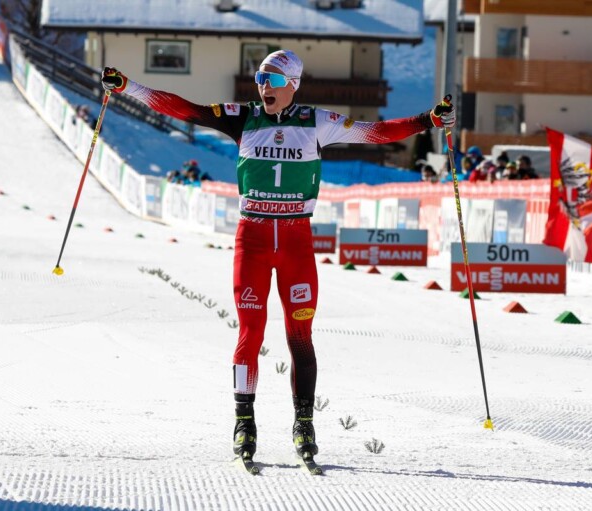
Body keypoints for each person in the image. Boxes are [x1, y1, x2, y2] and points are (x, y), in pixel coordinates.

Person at [100, 50, 455, 465]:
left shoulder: (317, 122)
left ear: (293, 85)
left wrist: (427, 120)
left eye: (272, 80)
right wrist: (129, 87)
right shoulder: (243, 117)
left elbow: (375, 133)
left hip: (295, 244)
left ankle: (304, 422)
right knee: (250, 333)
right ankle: (244, 420)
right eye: (260, 79)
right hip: (252, 240)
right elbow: (187, 110)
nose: (264, 87)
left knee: (300, 337)